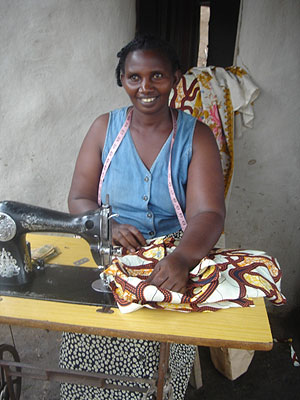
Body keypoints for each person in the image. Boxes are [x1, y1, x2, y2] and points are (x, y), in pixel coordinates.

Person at [60, 34, 225, 400]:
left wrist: (182, 257)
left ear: (175, 78)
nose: (145, 87)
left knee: (157, 359)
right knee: (89, 342)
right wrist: (111, 226)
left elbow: (209, 212)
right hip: (111, 257)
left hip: (176, 259)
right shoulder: (104, 129)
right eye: (134, 77)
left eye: (157, 76)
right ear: (122, 79)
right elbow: (79, 198)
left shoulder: (196, 137)